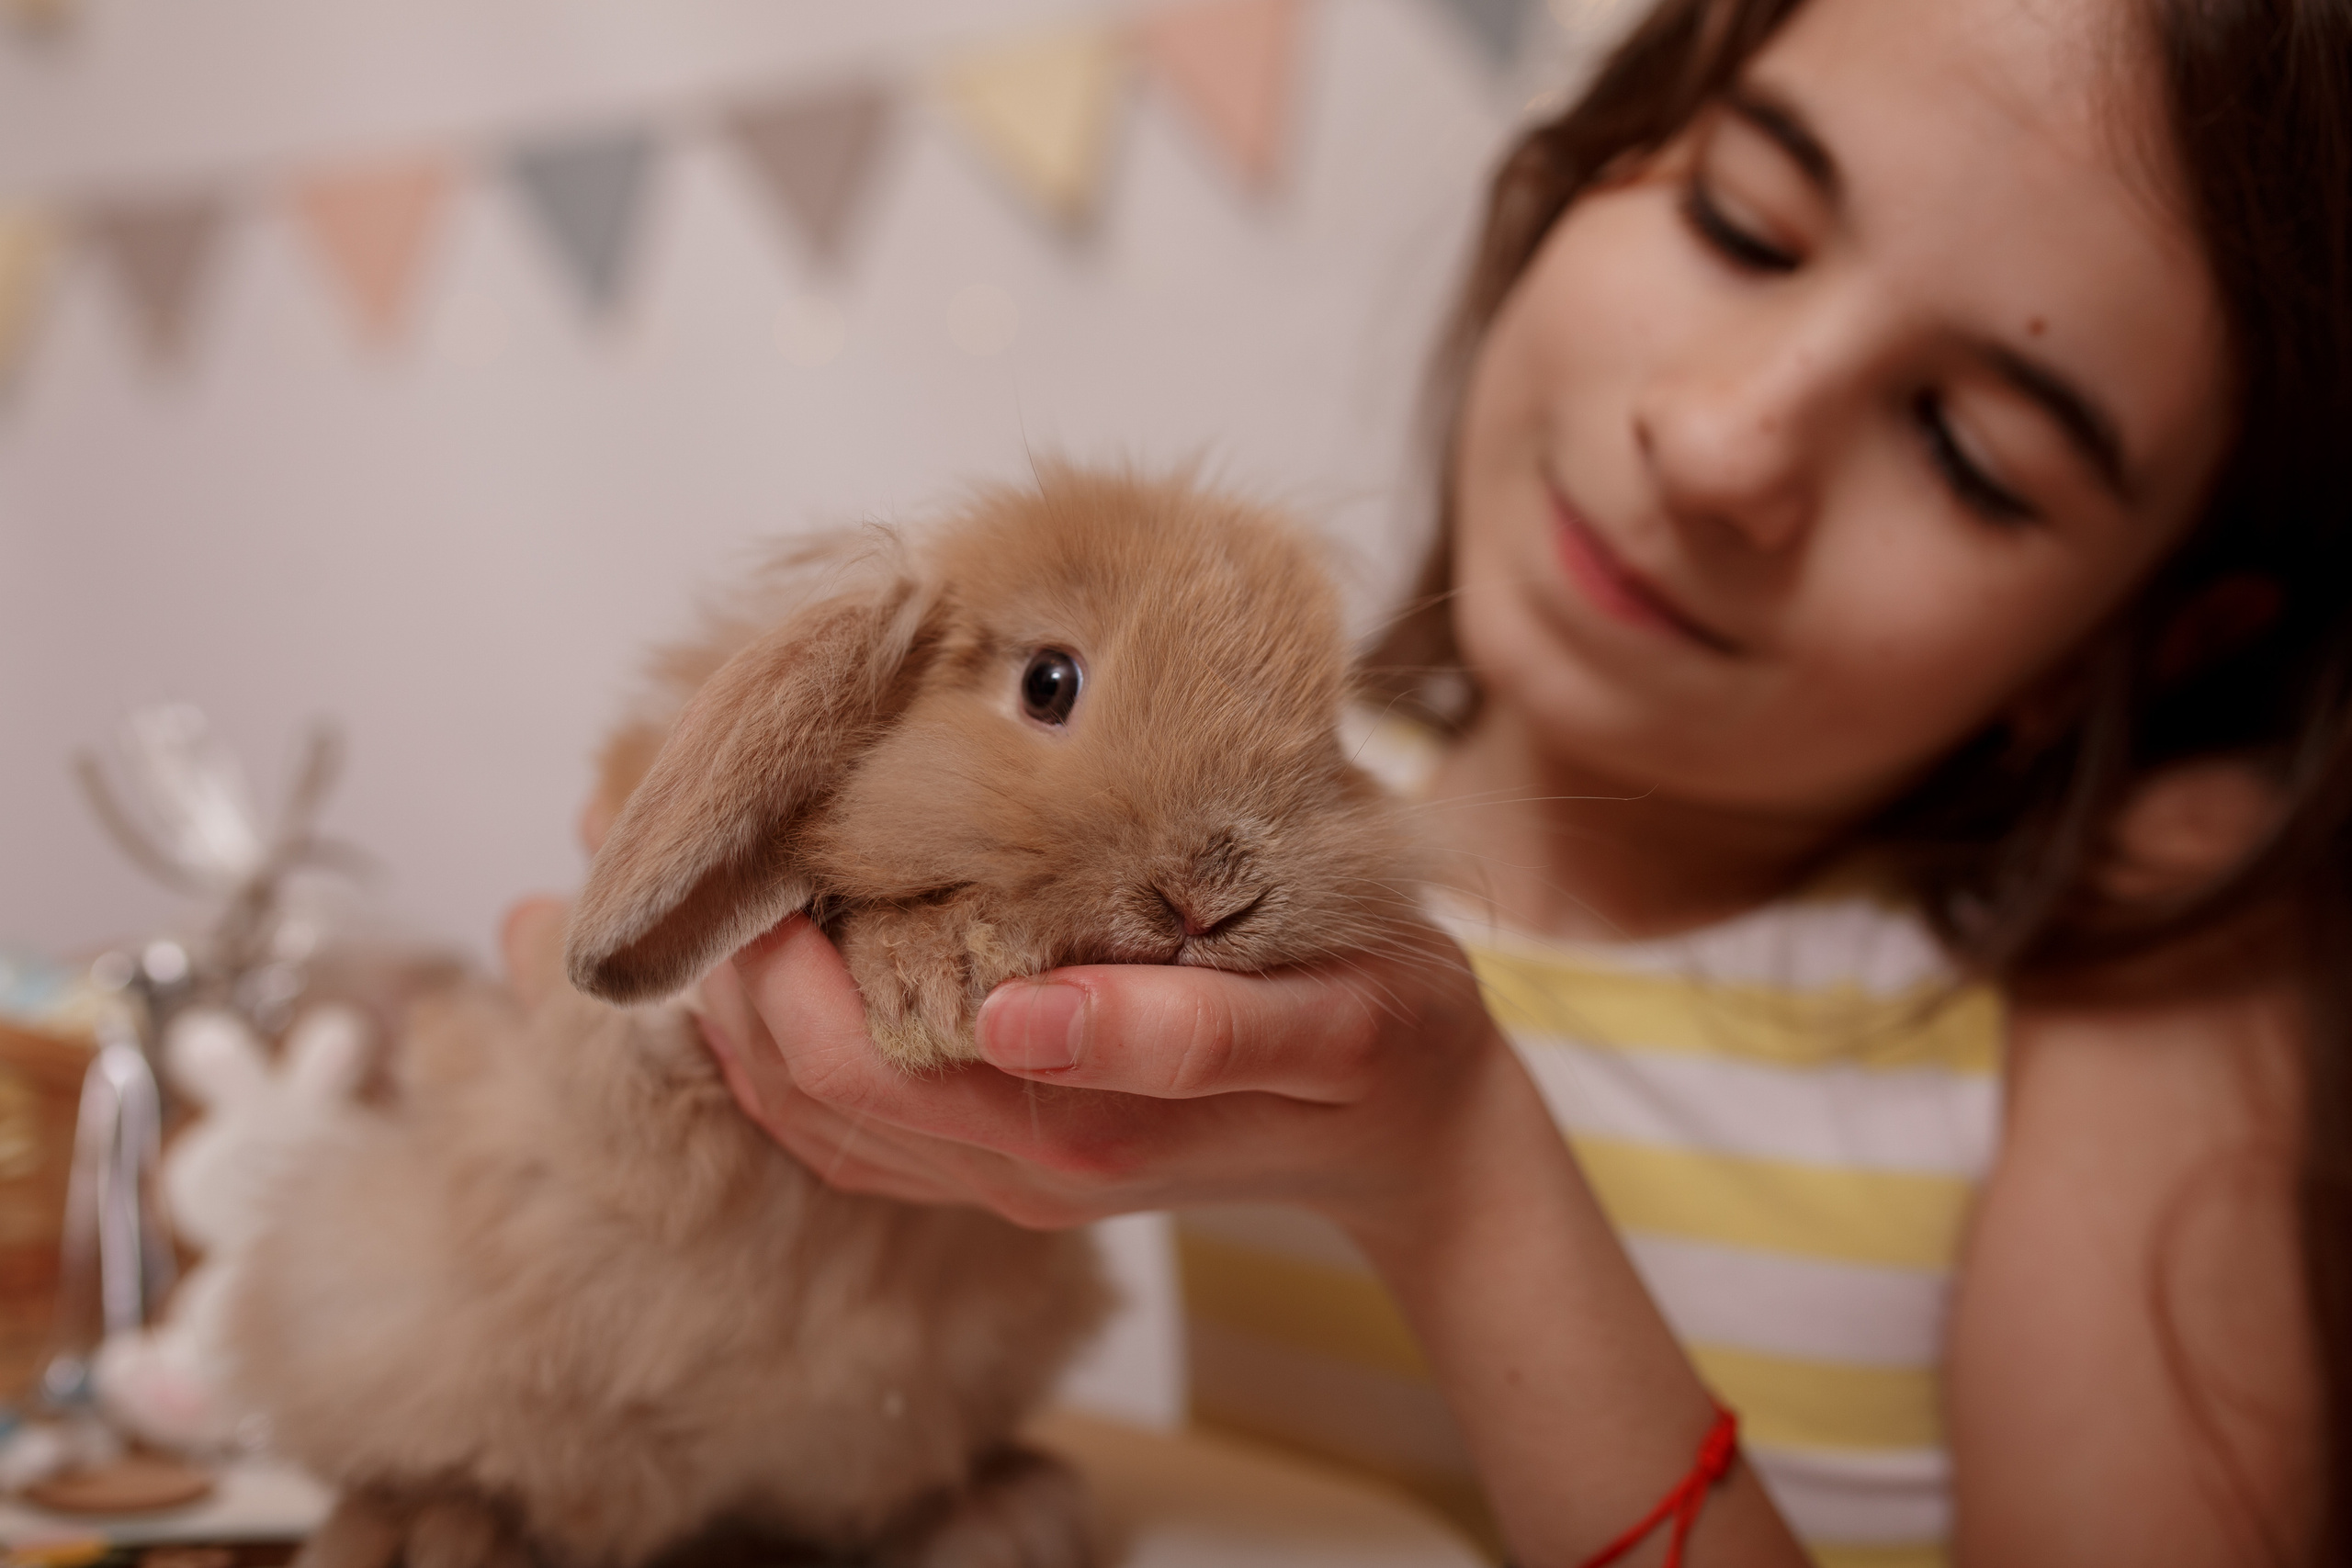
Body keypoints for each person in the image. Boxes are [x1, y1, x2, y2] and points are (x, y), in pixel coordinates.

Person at [526, 0, 2352, 1560]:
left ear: (2156, 634)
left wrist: (1459, 1173)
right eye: (1743, 221)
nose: (1720, 444)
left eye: (1966, 450)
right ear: (1584, 171)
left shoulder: (2125, 971)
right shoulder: (1204, 819)